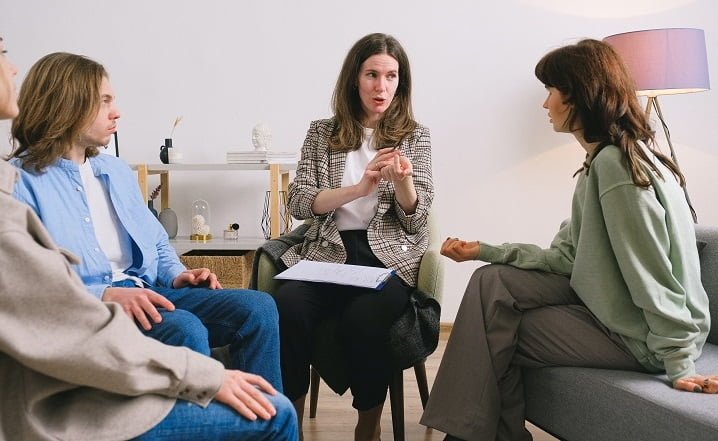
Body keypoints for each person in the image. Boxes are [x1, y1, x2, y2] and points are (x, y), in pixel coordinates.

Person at [0, 36, 297, 441]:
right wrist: (103, 293)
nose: (116, 112)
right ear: (68, 105)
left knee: (258, 308)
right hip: (93, 305)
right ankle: (197, 426)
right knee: (184, 328)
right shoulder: (21, 183)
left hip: (148, 289)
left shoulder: (116, 172)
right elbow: (36, 294)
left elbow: (156, 241)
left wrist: (177, 275)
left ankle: (254, 420)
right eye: (104, 101)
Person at [420, 38, 716, 441]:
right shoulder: (603, 161)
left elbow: (653, 273)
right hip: (620, 315)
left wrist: (679, 363)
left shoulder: (617, 169)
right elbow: (566, 257)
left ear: (578, 96)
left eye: (550, 91)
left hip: (645, 338)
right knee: (491, 282)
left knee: (493, 330)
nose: (545, 105)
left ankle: (474, 436)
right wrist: (484, 251)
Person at [271, 32, 433, 441]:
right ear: (353, 79)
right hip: (329, 253)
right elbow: (299, 203)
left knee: (364, 319)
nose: (382, 87)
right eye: (372, 75)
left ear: (402, 82)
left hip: (387, 259)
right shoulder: (322, 133)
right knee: (286, 305)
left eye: (392, 76)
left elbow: (416, 222)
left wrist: (404, 185)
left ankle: (368, 425)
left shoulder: (415, 135)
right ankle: (288, 415)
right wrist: (358, 189)